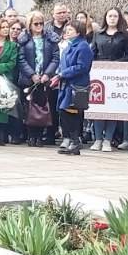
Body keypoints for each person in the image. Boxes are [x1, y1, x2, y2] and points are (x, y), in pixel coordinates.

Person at [89, 8, 128, 151]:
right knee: (98, 107)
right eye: (110, 16)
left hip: (117, 75)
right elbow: (93, 54)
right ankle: (97, 139)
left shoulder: (125, 35)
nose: (112, 18)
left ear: (119, 18)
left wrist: (116, 64)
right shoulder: (98, 34)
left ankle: (108, 140)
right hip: (99, 76)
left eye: (115, 16)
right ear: (105, 17)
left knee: (112, 108)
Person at [18, 11, 60, 146]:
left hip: (44, 78)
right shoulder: (24, 39)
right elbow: (21, 58)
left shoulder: (50, 38)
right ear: (30, 25)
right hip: (29, 79)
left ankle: (40, 135)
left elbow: (55, 57)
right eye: (36, 24)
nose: (39, 26)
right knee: (29, 107)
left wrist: (47, 74)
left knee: (43, 106)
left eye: (41, 23)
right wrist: (32, 74)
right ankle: (31, 135)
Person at [55, 21, 93, 155]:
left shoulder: (83, 47)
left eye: (70, 30)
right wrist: (58, 75)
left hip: (76, 86)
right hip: (66, 85)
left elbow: (82, 67)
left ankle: (76, 141)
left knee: (73, 114)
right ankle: (71, 140)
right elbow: (62, 64)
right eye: (67, 30)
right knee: (64, 113)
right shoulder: (68, 47)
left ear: (78, 32)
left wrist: (63, 74)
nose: (67, 32)